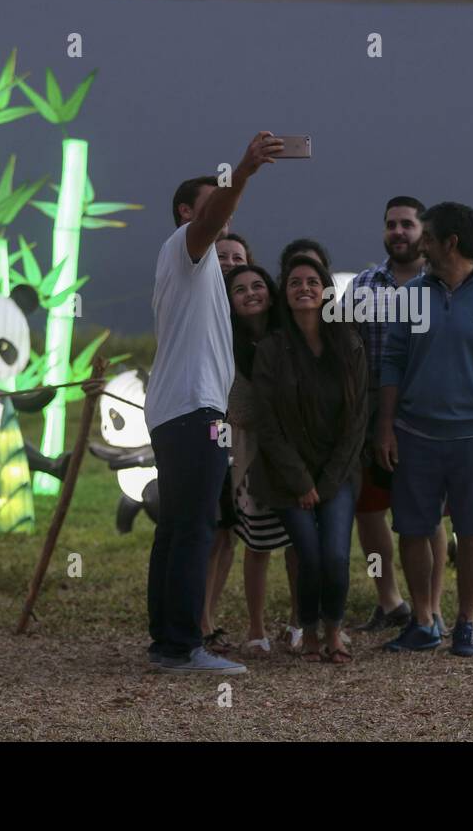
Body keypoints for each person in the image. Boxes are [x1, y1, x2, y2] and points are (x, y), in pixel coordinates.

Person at [144, 131, 282, 675]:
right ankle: (182, 646)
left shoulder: (198, 271)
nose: (222, 213)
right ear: (186, 212)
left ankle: (167, 643)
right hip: (193, 410)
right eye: (211, 201)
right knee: (196, 526)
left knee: (177, 529)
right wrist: (243, 170)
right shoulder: (187, 247)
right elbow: (213, 218)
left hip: (182, 410)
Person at [375, 202, 473, 657]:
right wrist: (385, 428)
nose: (418, 243)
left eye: (426, 236)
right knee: (412, 528)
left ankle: (466, 622)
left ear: (451, 242)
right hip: (415, 435)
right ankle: (423, 620)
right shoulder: (414, 296)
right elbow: (393, 363)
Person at [251, 254, 367, 663]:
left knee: (336, 554)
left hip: (338, 473)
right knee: (309, 555)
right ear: (286, 293)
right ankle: (310, 630)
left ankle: (335, 630)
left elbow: (357, 422)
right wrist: (301, 481)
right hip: (288, 477)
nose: (304, 288)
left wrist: (329, 482)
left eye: (313, 282)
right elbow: (266, 423)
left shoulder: (349, 344)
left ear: (325, 292)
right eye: (296, 282)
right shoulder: (271, 350)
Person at [345, 196, 449, 636]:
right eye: (391, 224)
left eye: (407, 224)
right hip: (370, 417)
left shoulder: (445, 283)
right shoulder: (364, 285)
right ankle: (390, 600)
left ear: (422, 231)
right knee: (368, 511)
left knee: (428, 517)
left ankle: (434, 607)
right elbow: (344, 350)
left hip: (426, 416)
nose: (398, 232)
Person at [224, 262, 302, 654]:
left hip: (296, 459)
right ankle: (255, 629)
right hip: (252, 458)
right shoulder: (226, 349)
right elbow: (240, 410)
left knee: (298, 543)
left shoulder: (291, 338)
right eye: (240, 290)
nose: (251, 293)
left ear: (271, 294)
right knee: (257, 545)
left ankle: (297, 623)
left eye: (258, 286)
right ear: (230, 302)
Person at [201, 229, 256, 654]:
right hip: (207, 426)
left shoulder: (254, 316)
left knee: (230, 528)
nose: (230, 262)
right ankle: (196, 616)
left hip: (243, 434)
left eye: (238, 256)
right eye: (222, 256)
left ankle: (209, 615)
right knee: (208, 524)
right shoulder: (196, 305)